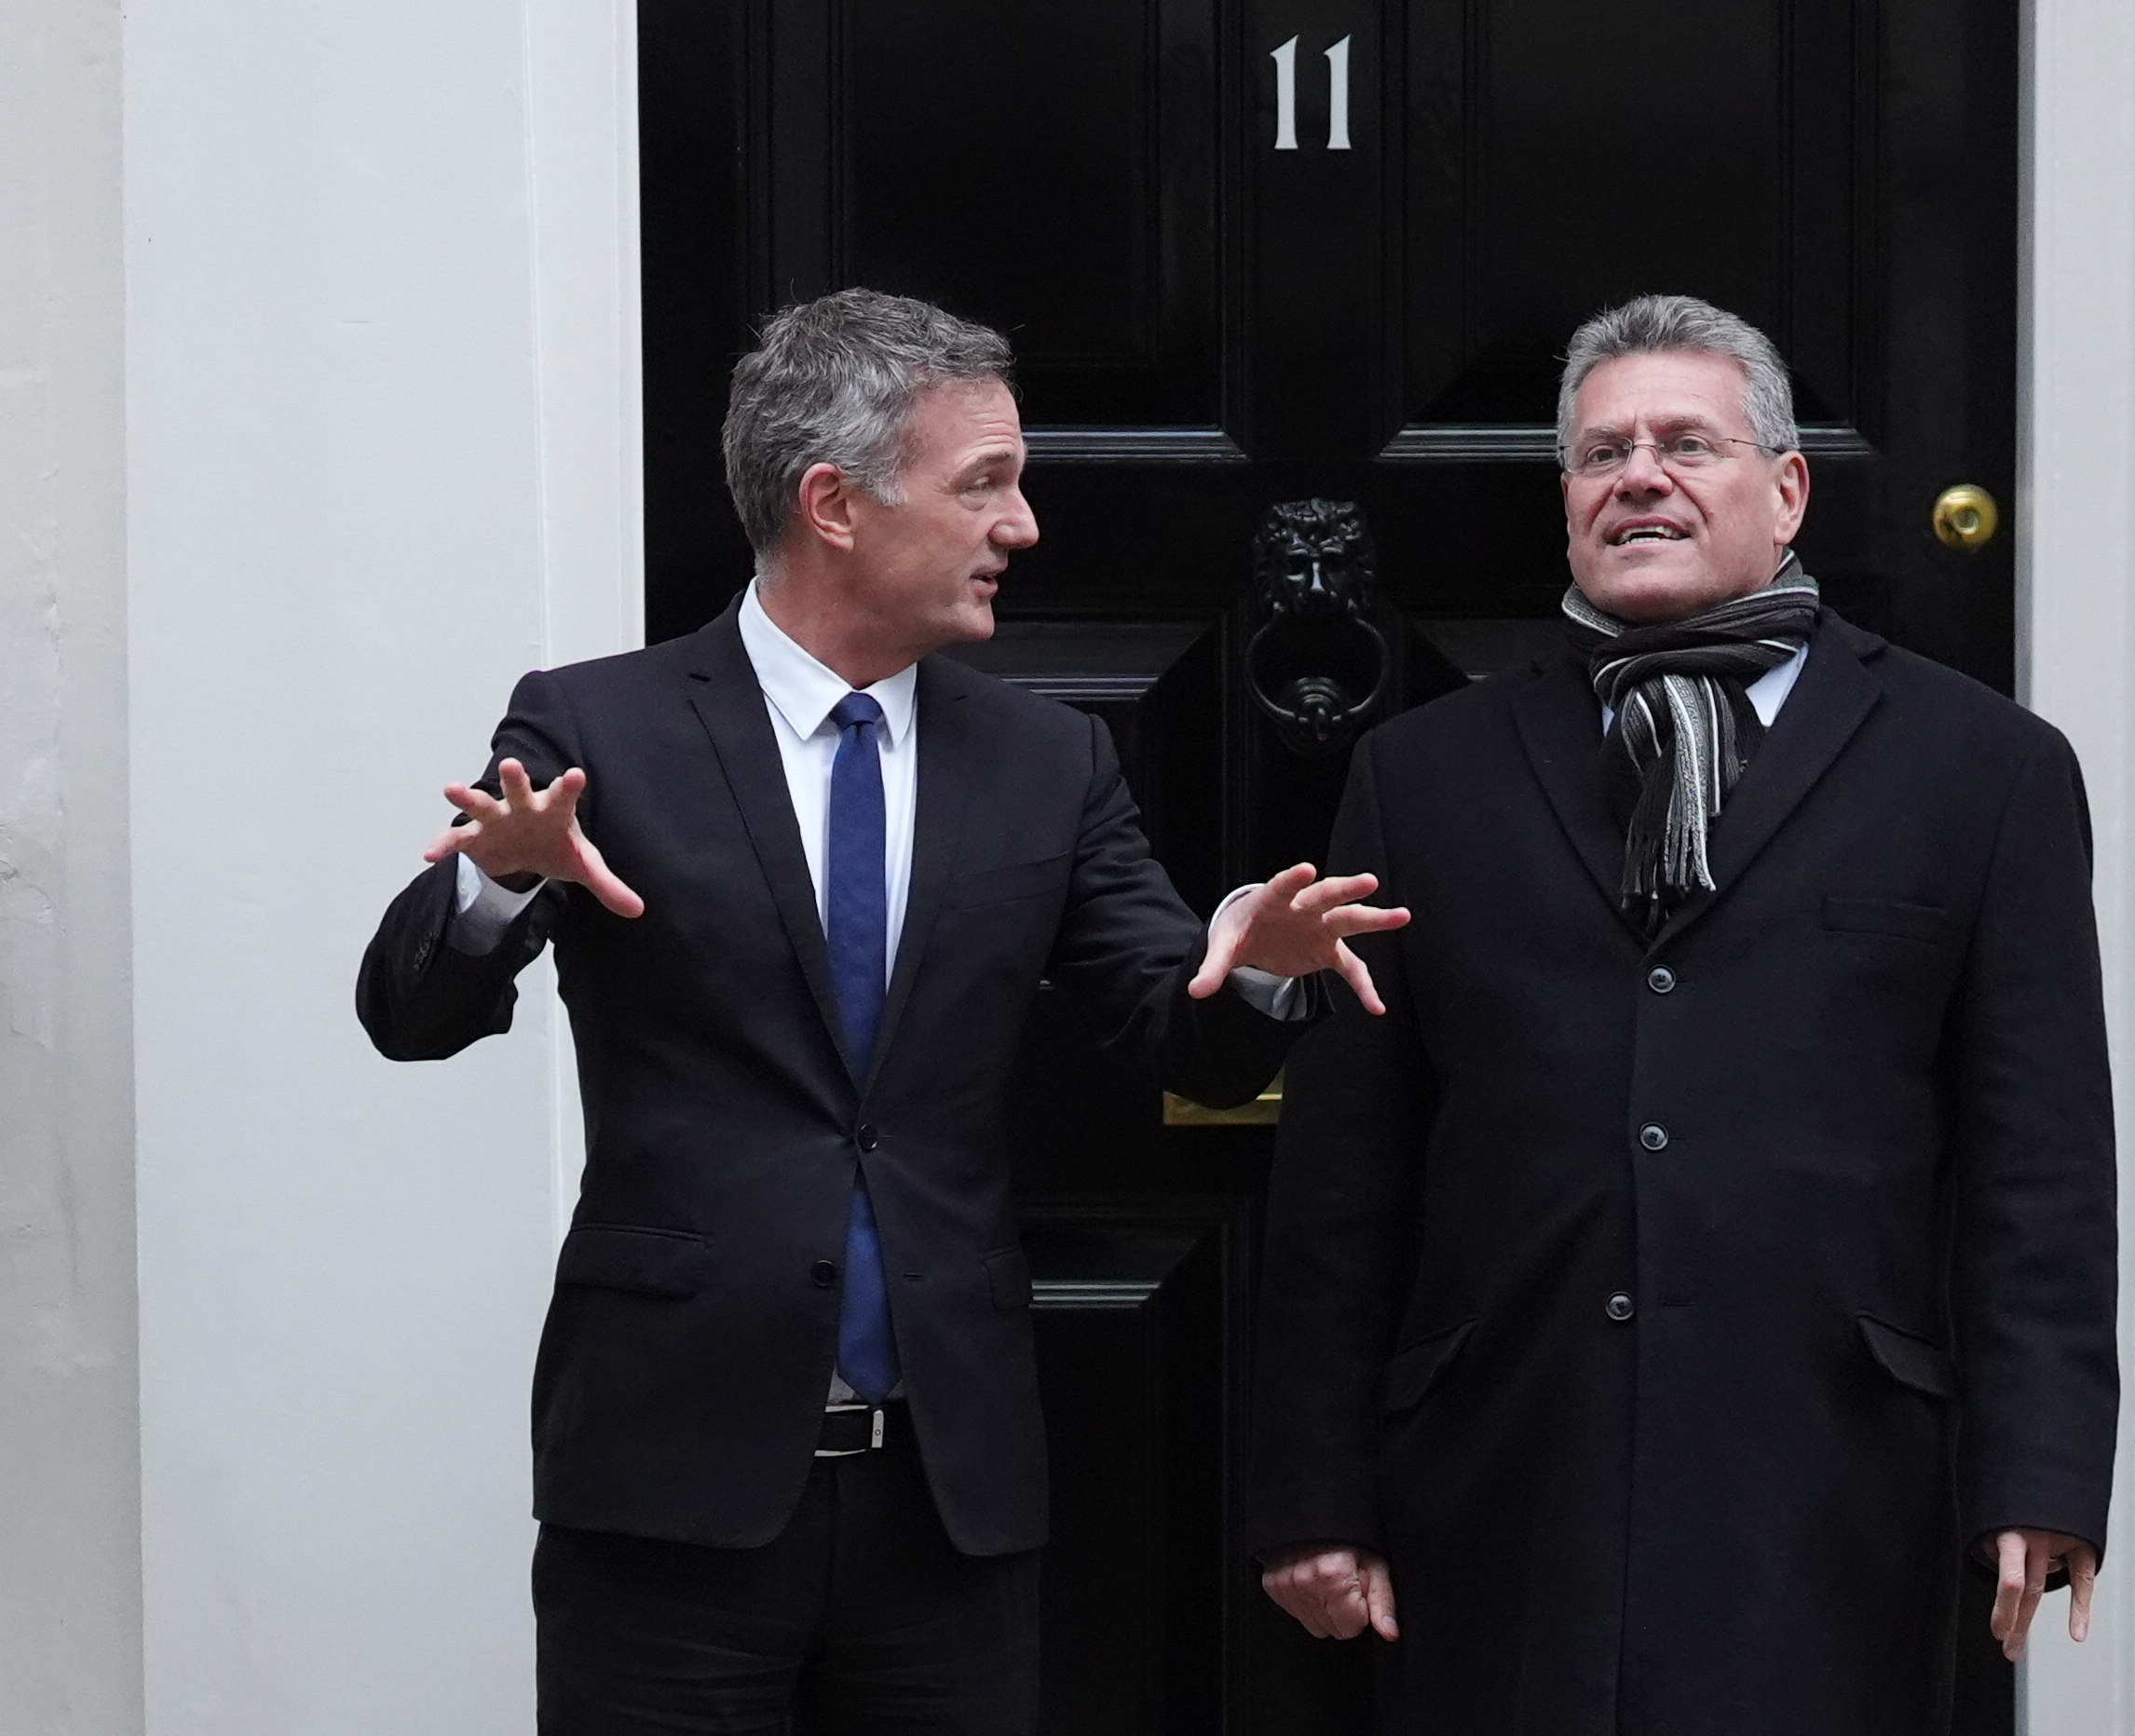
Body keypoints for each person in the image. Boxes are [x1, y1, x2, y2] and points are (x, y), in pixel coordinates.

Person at [357, 289, 1407, 1734]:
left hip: (947, 1496)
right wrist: (496, 893)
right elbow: (408, 1012)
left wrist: (1263, 964)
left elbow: (1189, 1039)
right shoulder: (600, 730)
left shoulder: (1048, 762)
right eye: (986, 484)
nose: (1023, 525)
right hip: (668, 1484)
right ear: (834, 503)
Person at [1244, 293, 2117, 1731]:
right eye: (1600, 454)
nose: (1637, 475)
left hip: (1842, 1481)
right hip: (1505, 1477)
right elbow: (1347, 1171)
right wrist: (1308, 1494)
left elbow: (2041, 1164)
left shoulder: (1987, 772)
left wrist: (2040, 1471)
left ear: (1785, 494)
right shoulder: (1424, 778)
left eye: (1684, 444)